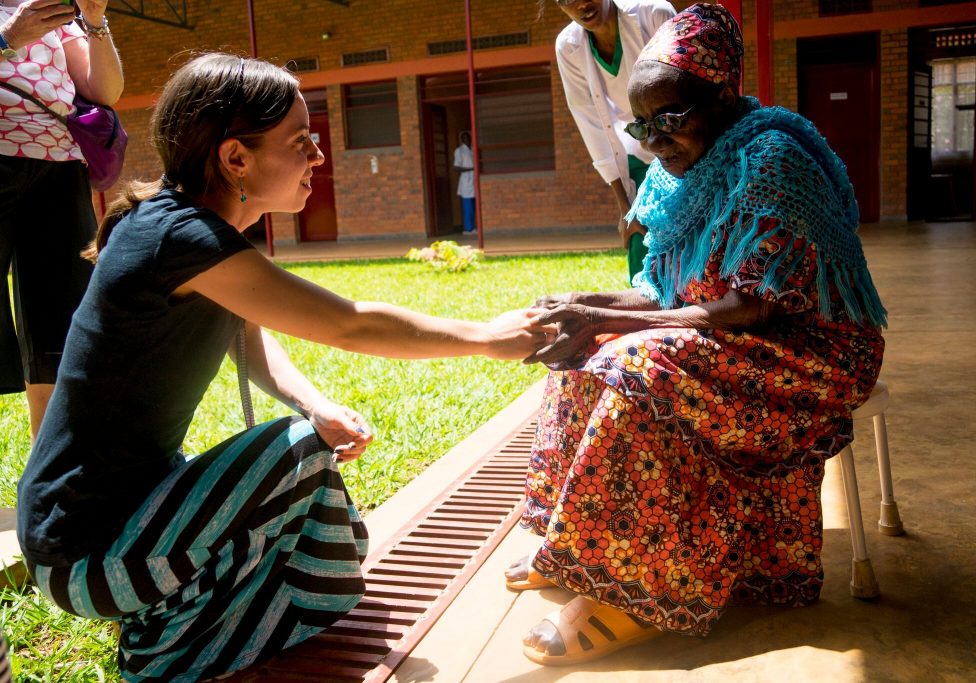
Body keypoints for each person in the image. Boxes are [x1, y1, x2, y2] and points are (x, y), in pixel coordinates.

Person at [15, 53, 545, 682]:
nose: (317, 157)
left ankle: (210, 624)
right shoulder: (177, 238)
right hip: (83, 552)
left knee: (330, 566)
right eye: (300, 142)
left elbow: (249, 337)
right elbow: (350, 322)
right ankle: (160, 651)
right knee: (297, 449)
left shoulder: (189, 231)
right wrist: (488, 337)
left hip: (131, 524)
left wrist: (313, 401)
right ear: (236, 159)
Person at [507, 4, 887, 665]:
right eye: (643, 124)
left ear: (723, 96)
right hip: (734, 328)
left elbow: (752, 306)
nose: (656, 139)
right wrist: (579, 304)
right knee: (579, 355)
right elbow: (665, 290)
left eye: (673, 117)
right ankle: (581, 547)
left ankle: (636, 588)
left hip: (807, 347)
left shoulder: (770, 158)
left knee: (635, 366)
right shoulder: (674, 171)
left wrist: (608, 321)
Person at [0, 0, 123, 440]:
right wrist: (9, 38)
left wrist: (93, 21)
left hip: (58, 165)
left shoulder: (54, 14)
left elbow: (104, 91)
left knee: (59, 327)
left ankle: (45, 475)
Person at [549, 0, 675, 283]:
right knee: (639, 238)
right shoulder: (568, 46)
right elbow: (588, 120)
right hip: (635, 151)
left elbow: (683, 91)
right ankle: (645, 322)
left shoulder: (653, 14)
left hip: (682, 147)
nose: (581, 4)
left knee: (690, 242)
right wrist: (625, 206)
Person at [453, 130, 476, 234]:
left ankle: (474, 226)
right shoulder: (459, 151)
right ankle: (468, 228)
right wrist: (470, 169)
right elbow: (456, 167)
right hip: (466, 179)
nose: (467, 139)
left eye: (468, 137)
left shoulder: (472, 149)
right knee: (468, 207)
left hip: (473, 179)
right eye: (465, 138)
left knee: (474, 205)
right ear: (462, 140)